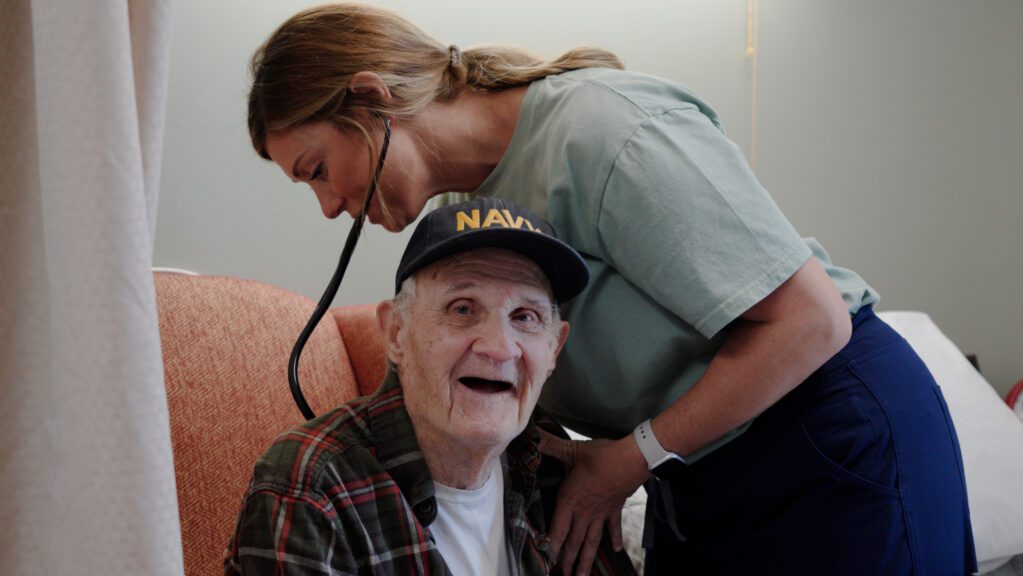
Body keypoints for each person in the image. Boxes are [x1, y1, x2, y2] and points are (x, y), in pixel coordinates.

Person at [245, 4, 977, 575]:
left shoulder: (602, 129)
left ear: (371, 98)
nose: (330, 206)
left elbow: (812, 321)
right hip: (692, 470)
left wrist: (627, 460)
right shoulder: (466, 211)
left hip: (824, 427)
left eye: (316, 169)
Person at [225, 198, 636, 575]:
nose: (499, 348)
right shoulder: (311, 490)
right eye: (463, 308)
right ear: (396, 332)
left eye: (525, 317)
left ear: (554, 348)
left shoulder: (554, 471)